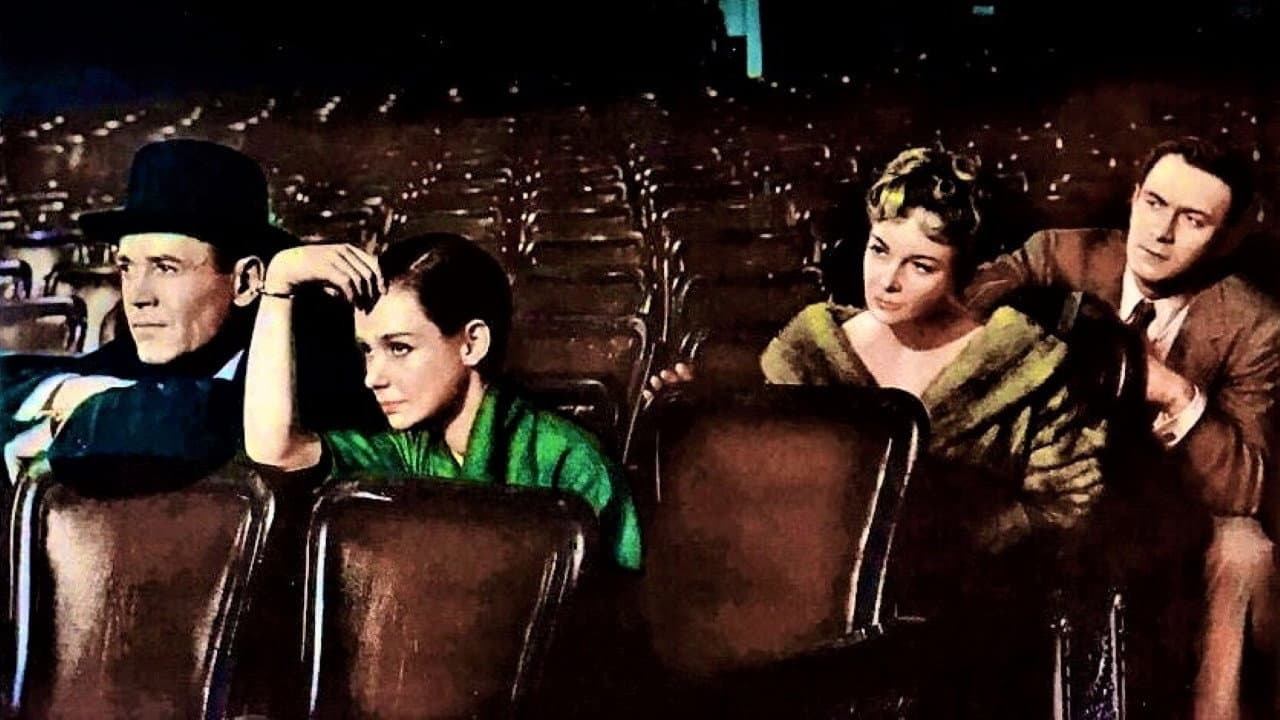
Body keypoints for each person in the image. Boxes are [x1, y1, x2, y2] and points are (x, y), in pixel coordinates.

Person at [966, 135, 1280, 720]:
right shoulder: (1059, 254)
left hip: (1168, 513)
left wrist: (1174, 391)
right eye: (1155, 204)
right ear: (1134, 198)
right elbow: (970, 304)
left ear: (1224, 238)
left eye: (1192, 220)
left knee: (1244, 547)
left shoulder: (1255, 324)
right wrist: (1072, 334)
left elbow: (1246, 488)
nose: (1161, 232)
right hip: (1047, 485)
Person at [243, 232, 642, 571]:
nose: (372, 378)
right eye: (367, 351)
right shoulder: (410, 451)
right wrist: (278, 286)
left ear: (472, 343)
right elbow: (277, 449)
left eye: (399, 348)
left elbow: (620, 611)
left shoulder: (570, 460)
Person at [0, 139, 296, 486]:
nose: (138, 297)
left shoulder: (299, 370)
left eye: (166, 267)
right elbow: (12, 380)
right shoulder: (143, 352)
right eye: (126, 268)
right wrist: (66, 393)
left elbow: (227, 415)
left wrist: (72, 418)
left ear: (246, 282)